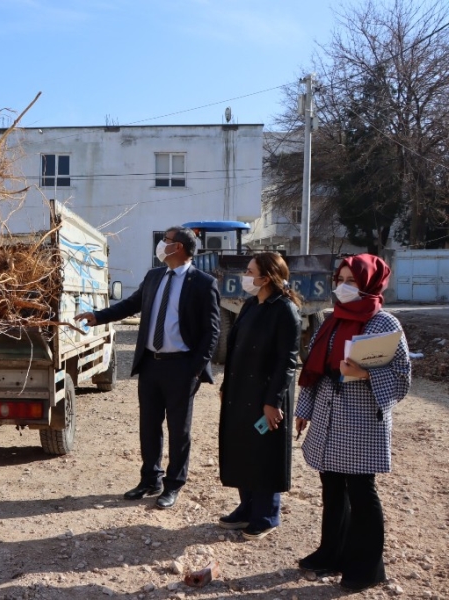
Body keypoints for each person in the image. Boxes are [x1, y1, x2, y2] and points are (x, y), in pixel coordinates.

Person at [74, 227, 220, 509]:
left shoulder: (203, 283)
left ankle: (173, 484)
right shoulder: (155, 277)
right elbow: (130, 305)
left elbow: (211, 332)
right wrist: (98, 316)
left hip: (182, 367)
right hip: (151, 364)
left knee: (180, 430)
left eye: (165, 240)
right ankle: (150, 479)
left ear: (177, 247)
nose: (161, 244)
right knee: (149, 426)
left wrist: (195, 369)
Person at [294, 254, 411, 593]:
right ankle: (331, 552)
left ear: (370, 285)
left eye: (351, 282)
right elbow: (313, 370)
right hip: (329, 417)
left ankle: (366, 567)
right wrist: (305, 408)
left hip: (361, 422)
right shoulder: (331, 320)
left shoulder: (385, 324)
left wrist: (365, 374)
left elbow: (403, 380)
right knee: (331, 490)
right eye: (339, 280)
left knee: (361, 493)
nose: (342, 287)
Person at [217, 252, 301, 540]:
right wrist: (226, 386)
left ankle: (266, 514)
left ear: (266, 277)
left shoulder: (285, 310)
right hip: (241, 392)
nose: (246, 276)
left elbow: (286, 361)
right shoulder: (252, 304)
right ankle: (247, 507)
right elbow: (237, 349)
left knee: (265, 453)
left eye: (250, 271)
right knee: (243, 448)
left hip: (266, 395)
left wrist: (272, 401)